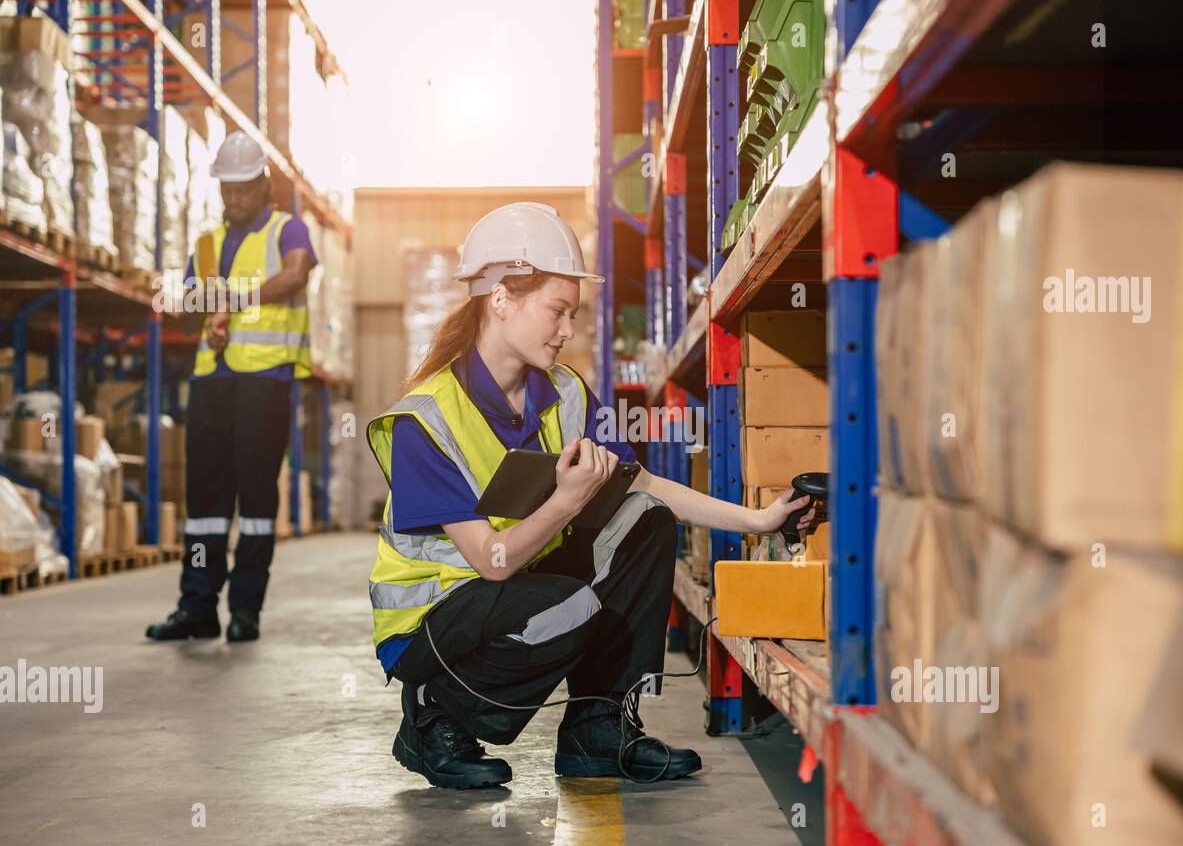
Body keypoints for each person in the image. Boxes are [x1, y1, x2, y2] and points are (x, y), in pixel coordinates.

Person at [369, 202, 815, 788]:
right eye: (556, 311)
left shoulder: (563, 392)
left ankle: (597, 731)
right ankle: (436, 717)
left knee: (645, 517)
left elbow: (648, 485)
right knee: (569, 605)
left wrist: (760, 520)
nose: (567, 331)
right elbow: (490, 561)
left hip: (517, 588)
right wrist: (566, 501)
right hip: (431, 625)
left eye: (572, 315)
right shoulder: (423, 422)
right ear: (501, 298)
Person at [146, 131, 318, 644]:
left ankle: (245, 610)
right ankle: (197, 607)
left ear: (264, 184)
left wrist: (233, 301)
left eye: (243, 188)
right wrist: (192, 312)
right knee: (204, 501)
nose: (234, 198)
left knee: (257, 498)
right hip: (211, 383)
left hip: (265, 382)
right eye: (227, 188)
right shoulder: (204, 245)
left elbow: (295, 277)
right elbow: (187, 318)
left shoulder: (290, 230)